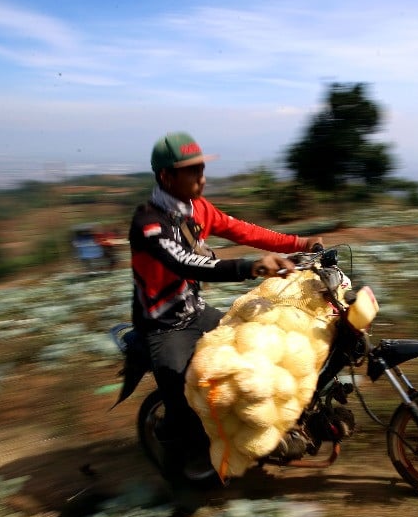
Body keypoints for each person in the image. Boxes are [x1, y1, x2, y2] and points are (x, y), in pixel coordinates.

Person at [129, 131, 322, 483]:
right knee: (180, 397)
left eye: (202, 168)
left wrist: (300, 243)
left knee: (256, 354)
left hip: (196, 310)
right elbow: (186, 262)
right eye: (192, 171)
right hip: (163, 326)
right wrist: (250, 267)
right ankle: (176, 472)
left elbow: (244, 231)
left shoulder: (198, 209)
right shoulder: (149, 223)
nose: (201, 177)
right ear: (166, 177)